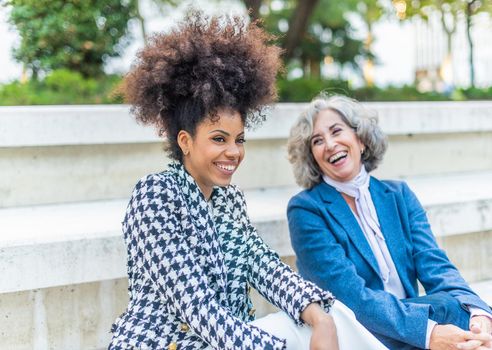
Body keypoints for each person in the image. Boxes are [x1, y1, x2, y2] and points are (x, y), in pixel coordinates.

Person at [108, 13, 386, 350]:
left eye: (239, 140)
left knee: (337, 318)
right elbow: (199, 310)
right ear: (184, 141)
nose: (233, 152)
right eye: (219, 139)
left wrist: (318, 314)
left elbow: (263, 265)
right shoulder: (156, 195)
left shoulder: (229, 200)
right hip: (169, 343)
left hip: (229, 340)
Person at [286, 93, 492, 350]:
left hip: (408, 328)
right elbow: (351, 297)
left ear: (360, 138)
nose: (329, 144)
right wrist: (430, 333)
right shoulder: (306, 209)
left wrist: (479, 314)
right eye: (317, 141)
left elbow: (436, 266)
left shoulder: (399, 196)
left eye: (336, 131)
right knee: (448, 310)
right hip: (356, 331)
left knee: (467, 319)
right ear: (312, 157)